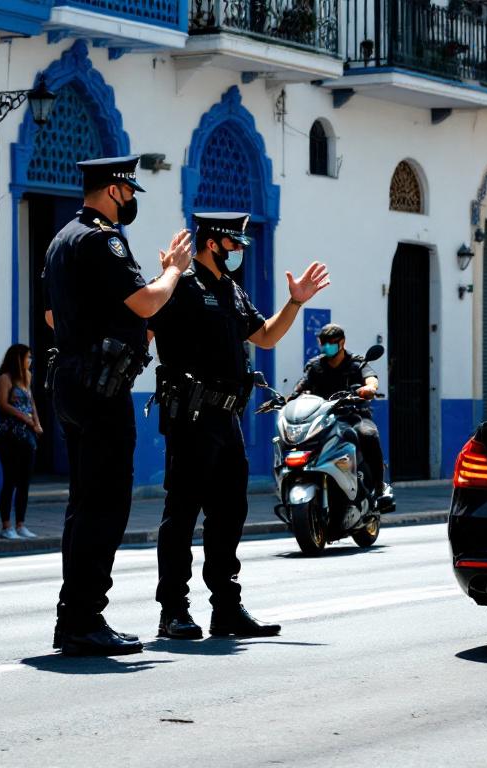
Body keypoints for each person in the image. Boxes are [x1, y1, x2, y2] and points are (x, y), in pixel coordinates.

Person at [149, 211, 329, 641]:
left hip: (228, 418)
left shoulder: (230, 289)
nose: (239, 252)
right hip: (191, 418)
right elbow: (146, 329)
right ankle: (173, 609)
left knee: (229, 514)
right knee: (182, 514)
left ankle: (226, 609)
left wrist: (296, 302)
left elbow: (264, 336)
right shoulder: (181, 285)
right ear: (213, 243)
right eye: (234, 244)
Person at [44, 155, 194, 656]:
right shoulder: (102, 238)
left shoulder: (62, 240)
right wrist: (171, 272)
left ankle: (76, 615)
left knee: (84, 503)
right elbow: (147, 302)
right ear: (114, 190)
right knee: (106, 505)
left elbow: (54, 315)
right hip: (99, 387)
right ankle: (83, 619)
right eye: (129, 193)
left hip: (71, 380)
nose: (130, 203)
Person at [292, 323, 390, 504]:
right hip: (323, 419)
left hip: (354, 415)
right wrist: (288, 399)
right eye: (324, 342)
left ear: (342, 342)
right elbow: (302, 385)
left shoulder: (356, 363)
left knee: (368, 434)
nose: (327, 346)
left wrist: (369, 387)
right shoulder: (315, 366)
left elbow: (370, 377)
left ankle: (379, 486)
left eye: (332, 342)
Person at [0, 343, 41, 540]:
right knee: (10, 480)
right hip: (9, 435)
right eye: (27, 357)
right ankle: (6, 525)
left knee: (24, 482)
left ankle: (21, 524)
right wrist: (23, 417)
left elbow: (31, 403)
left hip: (27, 437)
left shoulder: (26, 378)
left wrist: (37, 423)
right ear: (18, 358)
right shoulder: (5, 378)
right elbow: (2, 404)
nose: (30, 360)